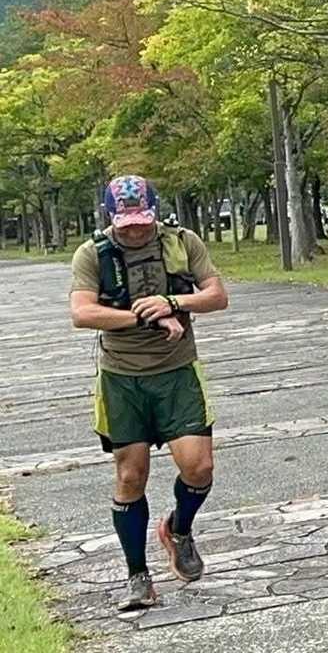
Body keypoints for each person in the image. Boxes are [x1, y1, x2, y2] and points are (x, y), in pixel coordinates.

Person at [67, 175, 229, 611]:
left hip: (177, 372)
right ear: (110, 217)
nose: (136, 230)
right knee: (130, 475)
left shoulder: (182, 242)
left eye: (143, 221)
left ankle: (178, 529)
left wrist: (174, 303)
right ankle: (138, 576)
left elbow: (217, 296)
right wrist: (144, 317)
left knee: (199, 467)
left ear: (155, 212)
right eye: (127, 223)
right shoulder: (93, 253)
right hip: (121, 378)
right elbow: (82, 313)